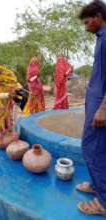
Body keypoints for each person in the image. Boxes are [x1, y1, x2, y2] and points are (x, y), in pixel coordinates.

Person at [76, 0, 106, 215]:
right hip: (96, 101)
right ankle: (98, 185)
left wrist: (103, 108)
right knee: (100, 149)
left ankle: (103, 202)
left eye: (87, 22)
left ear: (97, 16)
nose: (85, 27)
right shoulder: (101, 38)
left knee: (92, 149)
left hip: (102, 106)